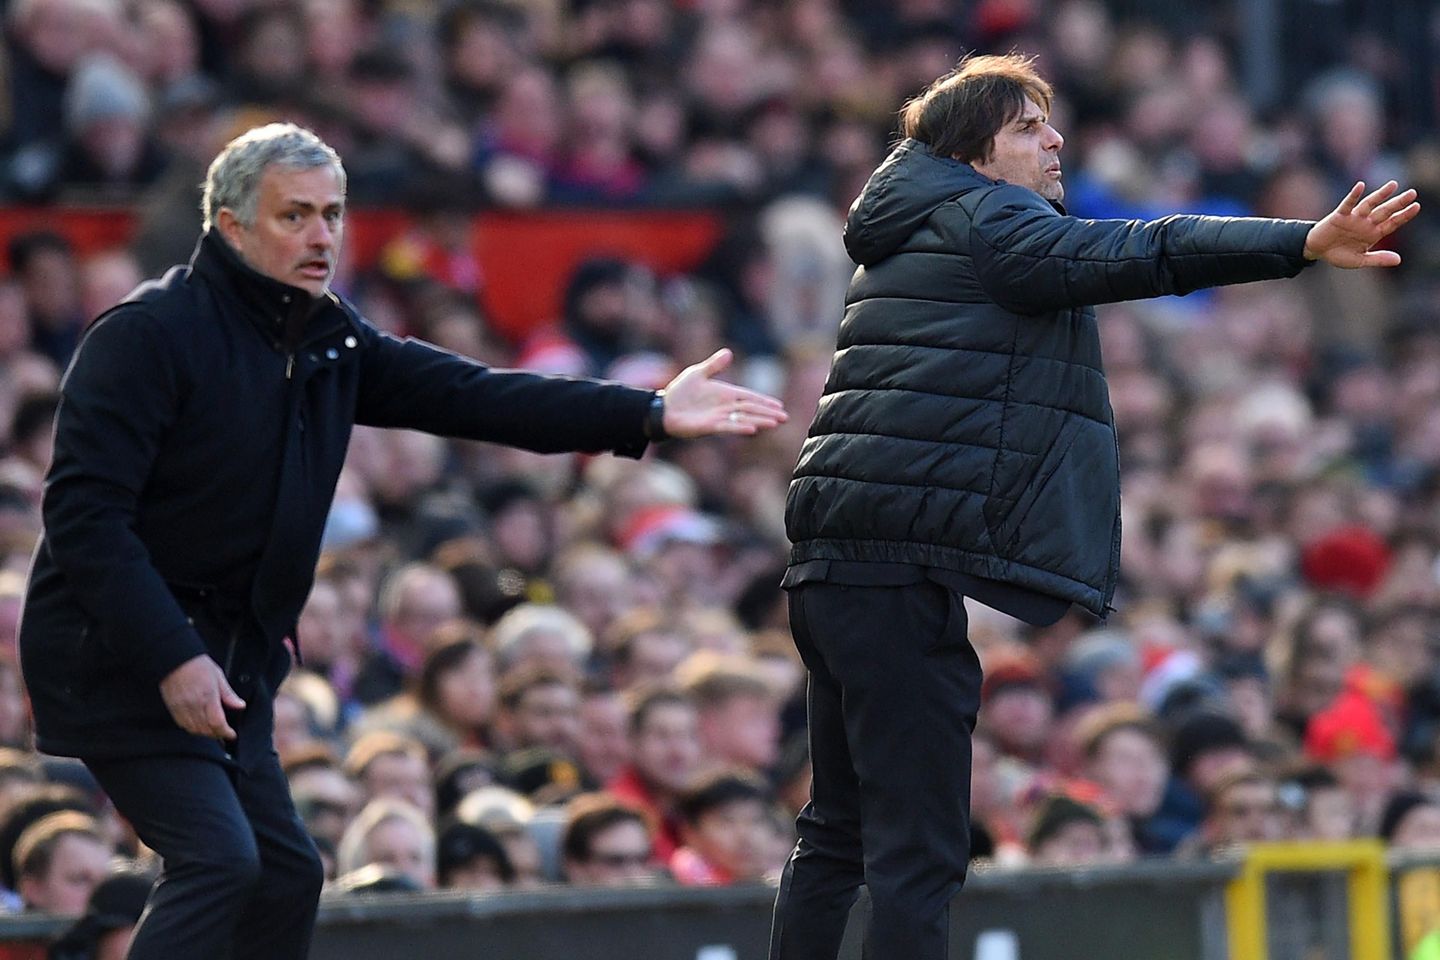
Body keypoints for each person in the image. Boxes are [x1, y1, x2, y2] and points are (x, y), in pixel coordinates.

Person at [18, 121, 786, 960]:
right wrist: (173, 656)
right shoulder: (145, 335)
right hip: (122, 653)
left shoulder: (327, 340)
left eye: (332, 214)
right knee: (220, 862)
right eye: (294, 215)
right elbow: (86, 519)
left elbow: (478, 396)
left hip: (230, 664)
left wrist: (649, 412)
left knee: (286, 876)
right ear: (230, 227)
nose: (322, 236)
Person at [770, 53, 1419, 960]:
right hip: (896, 573)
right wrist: (1299, 241)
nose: (1055, 139)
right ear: (971, 154)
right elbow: (1143, 249)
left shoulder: (913, 228)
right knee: (919, 850)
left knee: (838, 831)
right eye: (1027, 126)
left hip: (833, 562)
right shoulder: (990, 218)